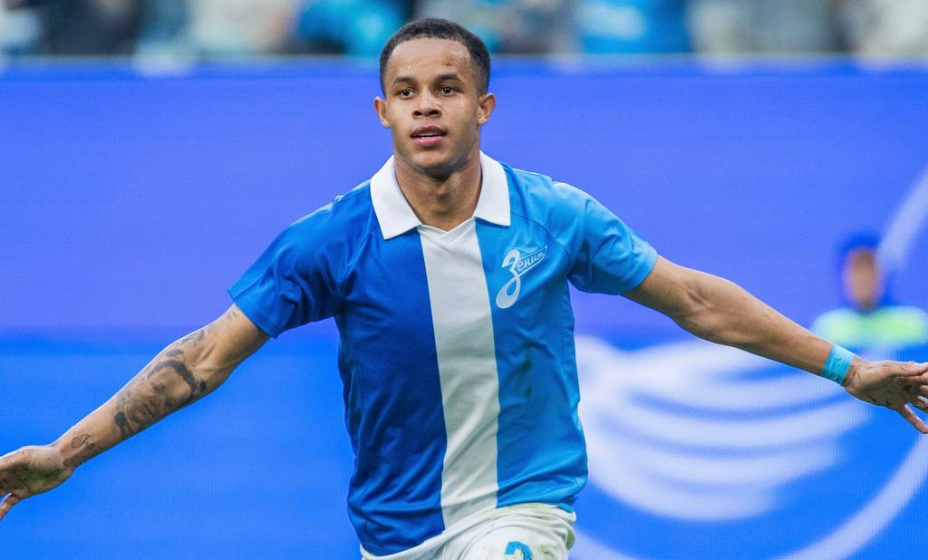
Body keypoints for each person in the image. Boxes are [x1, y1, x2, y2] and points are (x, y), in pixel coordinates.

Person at [1, 18, 927, 560]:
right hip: (394, 531)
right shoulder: (331, 241)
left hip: (523, 508)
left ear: (483, 107)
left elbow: (695, 299)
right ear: (382, 112)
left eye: (447, 89)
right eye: (406, 92)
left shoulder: (553, 217)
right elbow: (202, 360)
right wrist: (66, 454)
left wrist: (848, 369)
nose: (426, 106)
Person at [812, 233, 928, 352]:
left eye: (870, 268)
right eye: (857, 269)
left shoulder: (915, 323)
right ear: (843, 275)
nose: (863, 278)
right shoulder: (827, 328)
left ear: (885, 274)